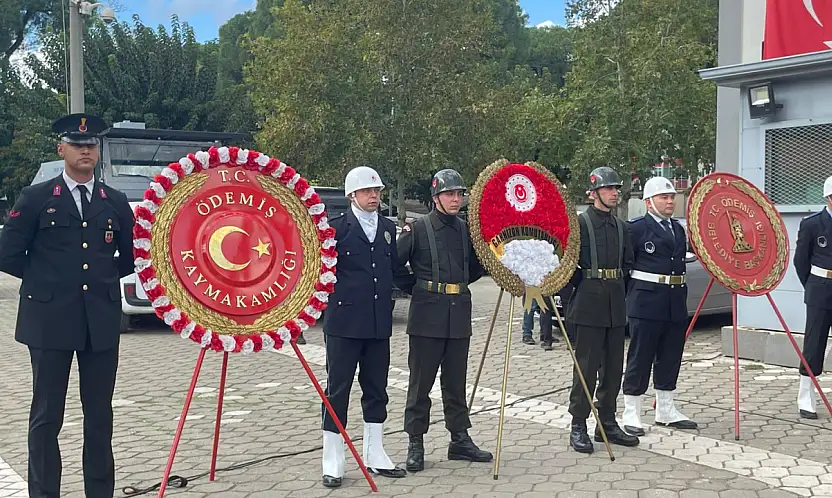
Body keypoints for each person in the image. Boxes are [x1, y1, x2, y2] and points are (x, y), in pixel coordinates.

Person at [0, 113, 135, 498]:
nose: (85, 151)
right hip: (49, 319)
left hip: (100, 320)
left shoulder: (114, 201)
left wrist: (99, 280)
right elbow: (8, 254)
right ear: (61, 149)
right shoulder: (37, 198)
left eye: (91, 145)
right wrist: (49, 279)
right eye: (77, 145)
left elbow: (129, 258)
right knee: (47, 416)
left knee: (99, 415)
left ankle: (100, 492)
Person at [395, 169, 492, 472]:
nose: (455, 199)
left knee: (455, 382)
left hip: (458, 313)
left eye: (459, 194)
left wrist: (456, 286)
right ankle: (415, 441)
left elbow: (475, 267)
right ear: (436, 197)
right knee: (420, 383)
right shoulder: (418, 229)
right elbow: (394, 265)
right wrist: (418, 288)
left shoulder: (465, 230)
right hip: (427, 316)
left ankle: (459, 439)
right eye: (450, 194)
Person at [320, 166, 407, 487]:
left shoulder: (387, 227)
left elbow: (395, 270)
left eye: (377, 191)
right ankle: (333, 459)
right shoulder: (335, 228)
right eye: (367, 191)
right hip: (344, 323)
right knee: (337, 390)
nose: (374, 196)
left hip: (377, 322)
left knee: (376, 389)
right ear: (351, 195)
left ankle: (375, 453)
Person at [565, 166, 639, 453]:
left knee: (613, 369)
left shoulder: (621, 227)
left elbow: (628, 264)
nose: (614, 193)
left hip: (615, 305)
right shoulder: (580, 224)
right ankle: (578, 424)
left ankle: (606, 422)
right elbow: (568, 267)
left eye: (616, 189)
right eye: (608, 189)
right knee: (586, 368)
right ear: (593, 193)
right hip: (588, 304)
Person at [621, 177, 697, 435]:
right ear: (648, 202)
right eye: (664, 197)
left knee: (670, 356)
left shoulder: (678, 229)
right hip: (646, 302)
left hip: (674, 300)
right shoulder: (636, 229)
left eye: (672, 197)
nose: (670, 201)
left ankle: (666, 410)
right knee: (640, 356)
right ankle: (631, 411)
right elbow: (625, 267)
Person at [793, 175, 832, 419]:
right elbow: (800, 261)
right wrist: (812, 286)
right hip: (821, 288)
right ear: (829, 197)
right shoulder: (812, 224)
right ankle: (806, 396)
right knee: (814, 343)